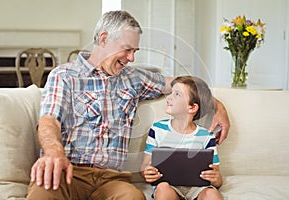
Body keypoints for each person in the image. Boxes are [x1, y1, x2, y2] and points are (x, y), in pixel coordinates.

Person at [27, 11, 229, 200]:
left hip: (111, 179)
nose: (131, 58)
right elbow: (49, 121)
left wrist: (216, 104)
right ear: (104, 39)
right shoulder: (64, 76)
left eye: (135, 51)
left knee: (133, 197)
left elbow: (184, 86)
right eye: (127, 49)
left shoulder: (133, 78)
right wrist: (54, 153)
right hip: (68, 172)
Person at [140, 76, 223, 200]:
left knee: (212, 194)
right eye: (171, 93)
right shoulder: (158, 129)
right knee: (162, 190)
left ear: (192, 108)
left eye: (177, 94)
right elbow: (144, 167)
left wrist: (216, 180)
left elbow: (216, 176)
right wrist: (147, 172)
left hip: (198, 188)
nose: (169, 97)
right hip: (168, 185)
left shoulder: (206, 136)